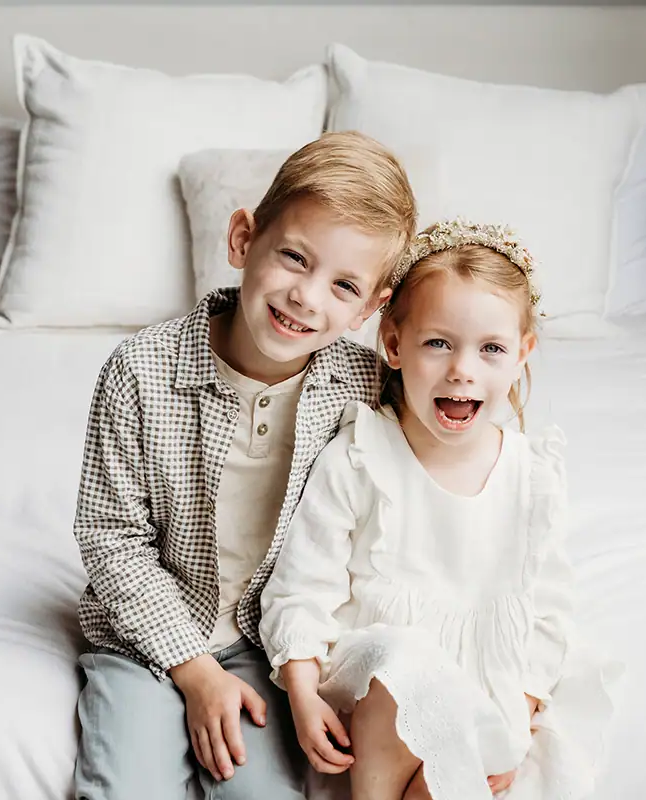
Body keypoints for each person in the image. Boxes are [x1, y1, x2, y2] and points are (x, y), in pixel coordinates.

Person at [70, 131, 418, 800]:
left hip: (270, 646)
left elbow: (439, 458)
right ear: (241, 239)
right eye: (294, 257)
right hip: (144, 638)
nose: (307, 297)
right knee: (125, 788)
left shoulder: (365, 388)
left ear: (370, 310)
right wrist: (194, 672)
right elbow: (112, 541)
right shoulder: (140, 373)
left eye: (344, 284)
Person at [259, 219, 619, 800]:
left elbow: (549, 609)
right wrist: (300, 688)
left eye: (491, 349)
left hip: (487, 694)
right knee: (403, 667)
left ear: (522, 354)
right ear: (395, 344)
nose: (462, 369)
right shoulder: (362, 456)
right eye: (438, 343)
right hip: (377, 692)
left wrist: (520, 711)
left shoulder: (532, 477)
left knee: (448, 781)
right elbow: (302, 585)